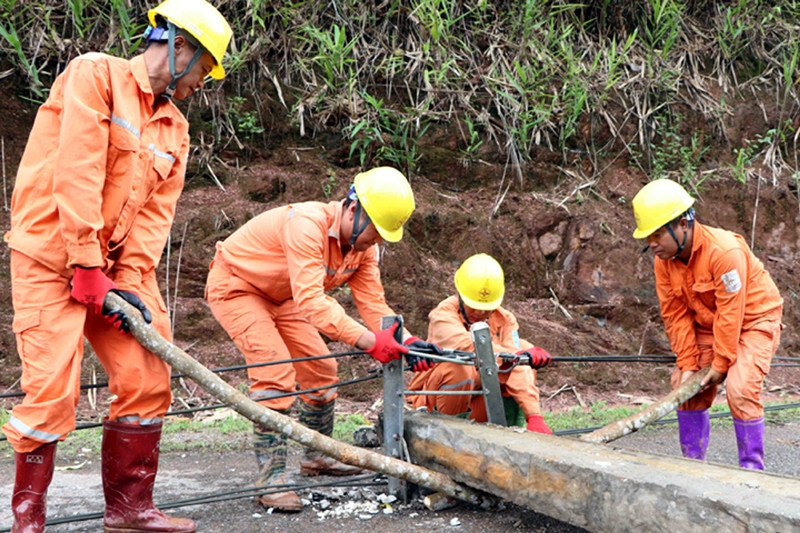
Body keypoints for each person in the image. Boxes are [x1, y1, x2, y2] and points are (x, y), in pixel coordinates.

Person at [2, 1, 232, 531]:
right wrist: (83, 263)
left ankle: (130, 509)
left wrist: (126, 283)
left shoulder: (175, 128)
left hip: (112, 272)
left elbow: (154, 217)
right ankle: (28, 517)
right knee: (51, 391)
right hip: (50, 258)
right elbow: (77, 167)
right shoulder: (95, 74)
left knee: (149, 372)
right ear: (180, 47)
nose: (202, 82)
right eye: (203, 69)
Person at [204, 166, 441, 512]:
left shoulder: (363, 248)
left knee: (321, 369)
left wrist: (406, 340)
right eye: (374, 233)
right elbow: (312, 302)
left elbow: (373, 303)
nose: (374, 242)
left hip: (282, 296)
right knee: (275, 372)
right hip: (236, 286)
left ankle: (317, 455)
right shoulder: (306, 224)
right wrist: (369, 342)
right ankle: (270, 480)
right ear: (352, 208)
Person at [631, 179, 783, 469]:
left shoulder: (724, 253)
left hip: (753, 319)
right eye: (647, 237)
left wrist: (721, 364)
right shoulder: (664, 260)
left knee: (740, 389)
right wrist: (688, 364)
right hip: (709, 324)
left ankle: (752, 473)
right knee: (684, 385)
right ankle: (693, 467)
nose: (652, 244)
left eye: (658, 234)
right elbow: (675, 315)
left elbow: (731, 311)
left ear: (684, 224)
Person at [408, 253, 553, 434]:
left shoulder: (505, 319)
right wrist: (511, 356)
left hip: (480, 399)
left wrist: (534, 416)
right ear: (460, 294)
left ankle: (504, 431)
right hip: (434, 403)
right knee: (460, 367)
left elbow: (517, 362)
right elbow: (467, 345)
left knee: (523, 353)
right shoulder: (442, 316)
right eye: (473, 304)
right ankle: (446, 433)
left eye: (486, 307)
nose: (480, 311)